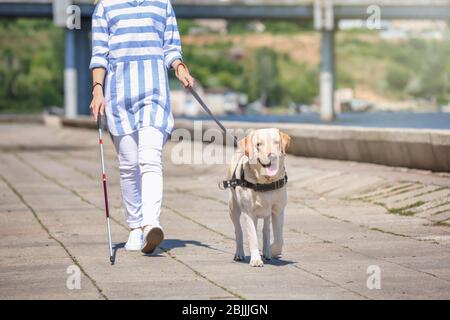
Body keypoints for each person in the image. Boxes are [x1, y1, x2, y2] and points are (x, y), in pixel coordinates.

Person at [89, 0, 194, 253]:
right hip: (119, 96)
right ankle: (135, 227)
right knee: (128, 165)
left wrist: (179, 67)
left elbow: (171, 47)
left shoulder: (162, 4)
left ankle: (150, 224)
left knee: (150, 159)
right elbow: (99, 54)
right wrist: (97, 90)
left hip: (154, 94)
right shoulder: (105, 7)